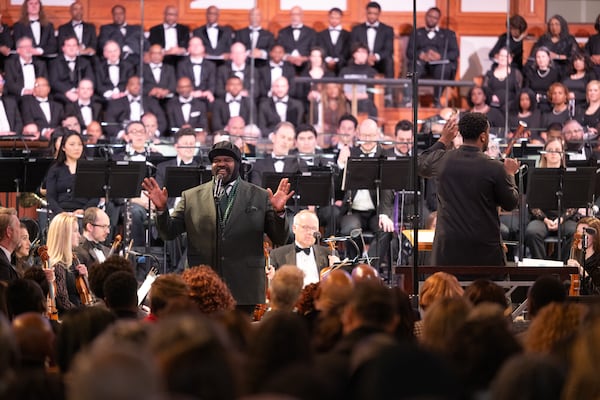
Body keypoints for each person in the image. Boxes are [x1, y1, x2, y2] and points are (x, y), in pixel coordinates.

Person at [142, 141, 293, 311]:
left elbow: (280, 237)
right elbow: (168, 233)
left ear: (238, 164)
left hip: (244, 286)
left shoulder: (259, 196)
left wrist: (279, 213)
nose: (221, 164)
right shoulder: (191, 196)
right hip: (201, 287)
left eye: (227, 160)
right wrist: (161, 210)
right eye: (216, 160)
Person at [418, 112, 519, 266]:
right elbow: (510, 203)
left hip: (448, 249)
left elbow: (421, 166)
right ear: (483, 136)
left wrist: (444, 139)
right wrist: (510, 174)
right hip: (484, 250)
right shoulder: (495, 167)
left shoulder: (443, 160)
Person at [524, 138, 579, 260]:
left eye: (558, 150)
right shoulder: (536, 176)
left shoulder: (569, 176)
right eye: (550, 150)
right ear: (544, 155)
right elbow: (532, 204)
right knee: (532, 232)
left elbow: (574, 204)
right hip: (542, 218)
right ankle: (541, 269)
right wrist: (545, 219)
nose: (554, 153)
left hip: (564, 218)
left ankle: (563, 267)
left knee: (575, 232)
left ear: (562, 155)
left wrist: (561, 219)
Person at [406, 6, 459, 105]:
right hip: (421, 64)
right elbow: (409, 52)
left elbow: (455, 53)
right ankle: (410, 99)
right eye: (429, 16)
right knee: (411, 69)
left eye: (435, 17)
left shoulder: (448, 34)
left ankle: (437, 99)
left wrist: (440, 56)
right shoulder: (417, 32)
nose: (431, 19)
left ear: (438, 19)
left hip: (438, 65)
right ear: (426, 16)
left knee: (444, 69)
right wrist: (420, 55)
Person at [269, 210, 336, 287]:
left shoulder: (328, 254)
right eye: (305, 227)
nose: (310, 232)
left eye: (313, 228)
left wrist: (336, 269)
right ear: (294, 228)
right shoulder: (277, 255)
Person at [45, 130, 99, 215]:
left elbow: (95, 197)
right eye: (72, 144)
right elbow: (51, 197)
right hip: (60, 215)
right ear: (63, 147)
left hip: (85, 214)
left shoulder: (89, 168)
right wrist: (61, 213)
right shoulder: (55, 169)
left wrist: (83, 210)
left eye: (80, 144)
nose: (77, 148)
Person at [45, 212, 87, 313]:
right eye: (76, 231)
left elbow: (85, 295)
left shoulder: (74, 260)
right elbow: (63, 303)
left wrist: (86, 277)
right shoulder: (57, 265)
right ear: (65, 235)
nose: (79, 235)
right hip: (69, 321)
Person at [350, 1, 395, 78]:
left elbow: (389, 49)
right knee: (350, 61)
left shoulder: (387, 30)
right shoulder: (356, 29)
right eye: (370, 13)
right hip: (361, 58)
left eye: (375, 14)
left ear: (379, 14)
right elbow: (353, 47)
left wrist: (375, 57)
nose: (372, 16)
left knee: (389, 61)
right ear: (366, 13)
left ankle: (389, 89)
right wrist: (365, 57)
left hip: (380, 60)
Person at [567, 217, 600, 295]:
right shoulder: (575, 253)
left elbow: (597, 293)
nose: (579, 236)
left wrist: (581, 271)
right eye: (578, 232)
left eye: (584, 233)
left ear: (596, 237)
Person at [317, 8, 351, 74]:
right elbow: (320, 48)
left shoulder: (348, 35)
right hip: (325, 67)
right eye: (332, 18)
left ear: (341, 18)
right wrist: (328, 59)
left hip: (342, 67)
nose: (334, 20)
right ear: (328, 18)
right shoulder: (321, 34)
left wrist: (337, 61)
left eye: (337, 18)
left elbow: (347, 51)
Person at [0, 208, 21, 283]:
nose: (21, 231)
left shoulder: (5, 259)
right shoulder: (2, 264)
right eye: (18, 226)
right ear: (9, 231)